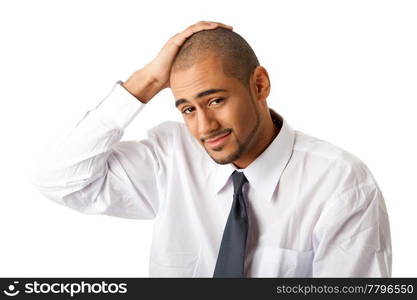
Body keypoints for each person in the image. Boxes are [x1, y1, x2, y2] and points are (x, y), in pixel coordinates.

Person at [33, 21, 392, 277]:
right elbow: (58, 179)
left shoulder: (339, 183)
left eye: (216, 100)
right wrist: (145, 82)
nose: (204, 127)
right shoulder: (171, 157)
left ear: (260, 84)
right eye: (188, 109)